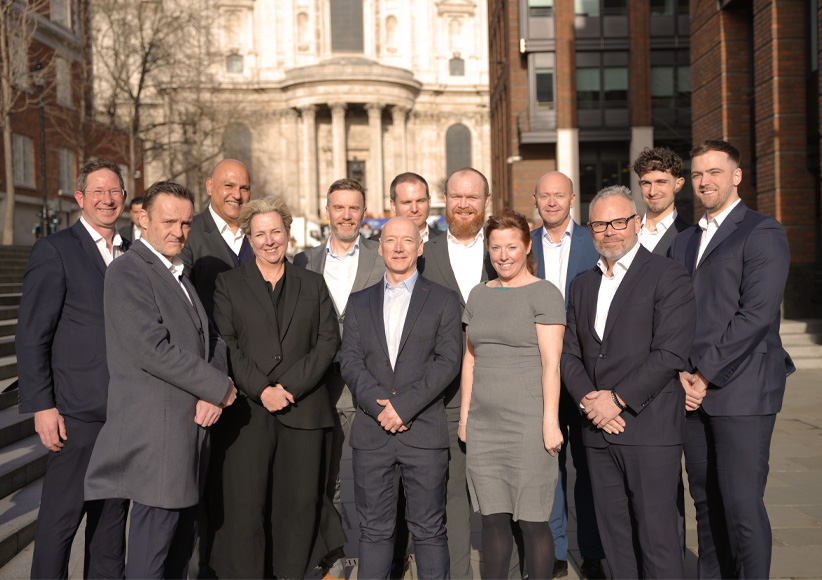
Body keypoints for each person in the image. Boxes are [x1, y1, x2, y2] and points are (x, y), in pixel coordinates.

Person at [84, 181, 237, 579]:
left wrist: (212, 386)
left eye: (186, 223)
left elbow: (212, 338)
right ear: (143, 219)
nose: (178, 232)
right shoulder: (128, 271)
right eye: (168, 221)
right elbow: (152, 349)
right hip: (157, 444)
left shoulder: (178, 273)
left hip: (187, 439)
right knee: (151, 562)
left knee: (177, 558)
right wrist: (217, 387)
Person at [669, 140, 793, 579]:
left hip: (742, 390)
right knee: (705, 506)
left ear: (736, 176)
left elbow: (756, 315)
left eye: (715, 172)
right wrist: (681, 373)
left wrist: (704, 373)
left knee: (741, 506)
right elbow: (674, 313)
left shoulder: (761, 231)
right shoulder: (684, 242)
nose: (705, 181)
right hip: (690, 395)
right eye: (698, 173)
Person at [561, 185, 696, 579]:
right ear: (590, 229)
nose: (610, 231)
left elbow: (671, 352)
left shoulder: (667, 275)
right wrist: (590, 400)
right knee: (613, 540)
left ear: (636, 223)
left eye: (619, 221)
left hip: (649, 429)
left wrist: (617, 399)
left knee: (658, 540)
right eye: (600, 224)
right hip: (597, 432)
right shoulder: (582, 284)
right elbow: (570, 353)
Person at [208, 197, 344, 578]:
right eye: (260, 234)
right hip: (247, 415)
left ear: (288, 234)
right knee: (246, 507)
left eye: (276, 232)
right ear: (249, 239)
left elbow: (327, 342)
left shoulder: (313, 284)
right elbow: (227, 343)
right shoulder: (228, 284)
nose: (269, 241)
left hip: (304, 412)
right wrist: (263, 389)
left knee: (300, 506)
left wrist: (288, 387)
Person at [16, 158, 130, 579]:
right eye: (97, 191)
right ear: (80, 197)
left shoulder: (132, 253)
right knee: (60, 522)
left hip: (121, 415)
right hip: (75, 415)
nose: (107, 199)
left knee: (111, 523)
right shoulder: (55, 250)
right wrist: (43, 407)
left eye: (114, 190)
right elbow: (31, 336)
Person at [340, 217, 462, 579]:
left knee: (428, 531)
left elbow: (448, 362)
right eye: (390, 240)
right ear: (379, 247)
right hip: (373, 435)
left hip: (423, 433)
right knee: (374, 532)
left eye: (406, 241)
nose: (397, 247)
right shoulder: (359, 302)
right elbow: (350, 360)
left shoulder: (443, 299)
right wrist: (382, 408)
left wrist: (403, 407)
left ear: (419, 246)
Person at [458, 209, 565, 580]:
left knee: (533, 522)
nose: (503, 255)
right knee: (492, 521)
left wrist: (549, 423)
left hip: (528, 425)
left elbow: (552, 364)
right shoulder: (478, 294)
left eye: (511, 247)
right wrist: (464, 418)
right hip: (484, 426)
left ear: (527, 247)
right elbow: (470, 359)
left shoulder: (545, 293)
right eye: (496, 247)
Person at [293, 178, 385, 579]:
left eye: (353, 208)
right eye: (339, 207)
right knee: (323, 474)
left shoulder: (382, 258)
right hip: (317, 385)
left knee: (367, 475)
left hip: (365, 383)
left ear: (363, 213)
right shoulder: (304, 261)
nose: (346, 215)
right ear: (326, 210)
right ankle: (330, 560)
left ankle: (372, 558)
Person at [418, 167, 497, 580]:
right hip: (444, 399)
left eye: (472, 197)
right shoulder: (423, 254)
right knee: (450, 498)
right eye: (455, 196)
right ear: (444, 201)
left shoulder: (506, 250)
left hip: (503, 396)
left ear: (486, 201)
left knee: (504, 503)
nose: (463, 204)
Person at [530, 172, 604, 579]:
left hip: (586, 370)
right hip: (539, 373)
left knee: (590, 466)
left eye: (560, 195)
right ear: (536, 200)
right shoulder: (524, 246)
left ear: (573, 199)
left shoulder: (595, 240)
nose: (553, 202)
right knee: (548, 466)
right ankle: (557, 549)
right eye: (545, 196)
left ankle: (592, 549)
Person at [180, 159, 252, 318]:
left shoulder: (260, 234)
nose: (237, 195)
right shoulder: (187, 233)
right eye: (229, 186)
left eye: (244, 188)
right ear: (210, 186)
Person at [632, 147, 690, 255]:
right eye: (646, 183)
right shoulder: (625, 233)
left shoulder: (691, 238)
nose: (652, 192)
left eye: (661, 182)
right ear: (640, 185)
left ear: (678, 184)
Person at [387, 172, 444, 243]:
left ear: (429, 202)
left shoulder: (448, 243)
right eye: (407, 202)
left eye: (420, 201)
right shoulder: (374, 246)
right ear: (393, 205)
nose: (414, 209)